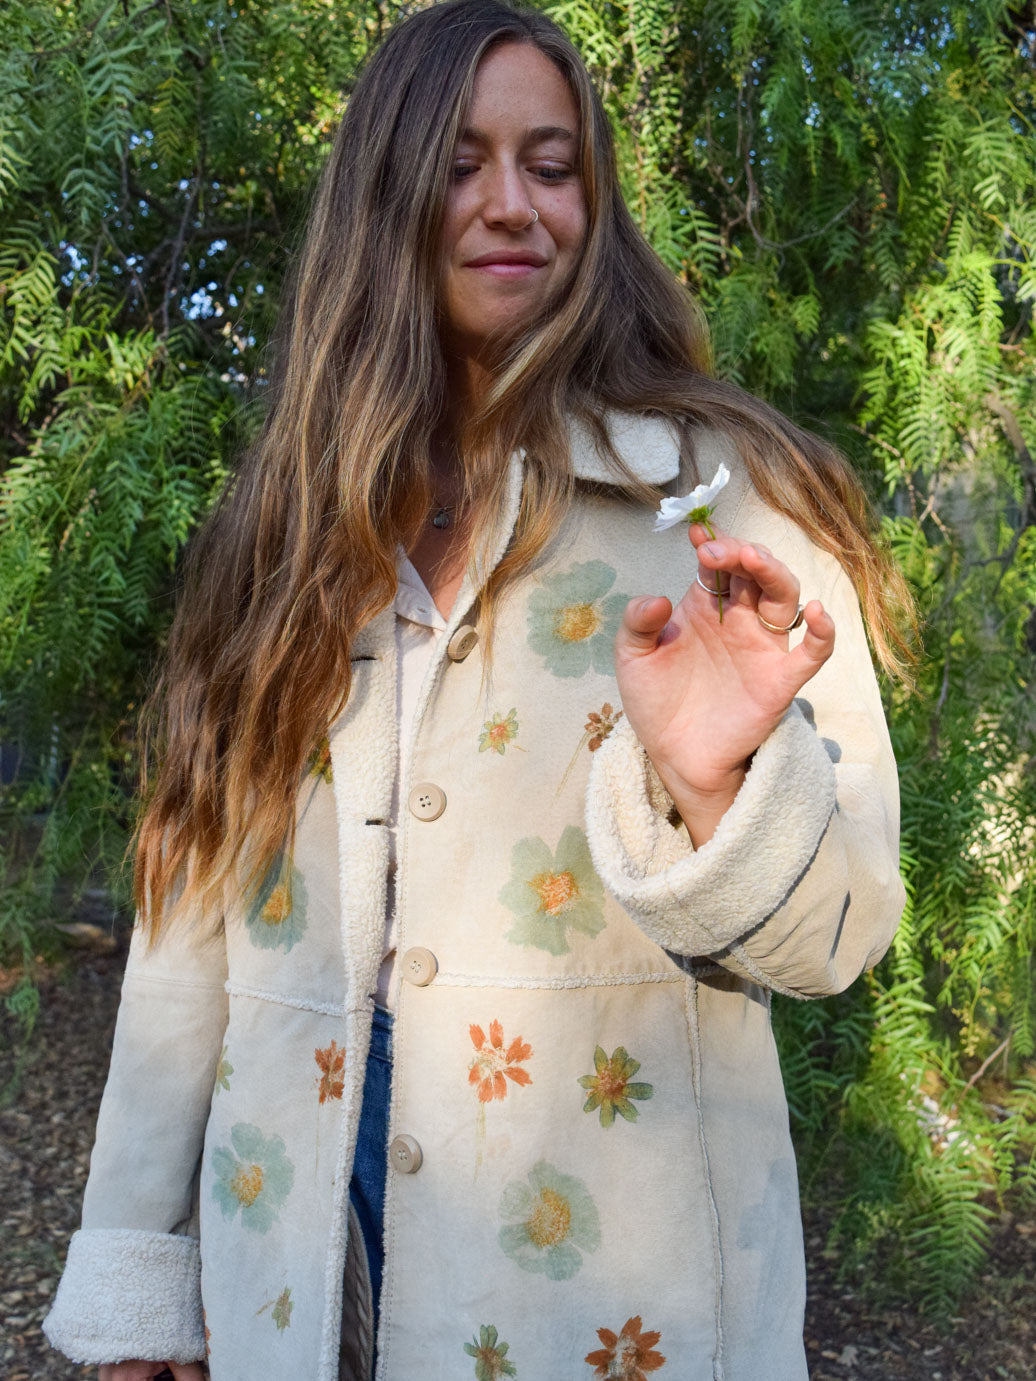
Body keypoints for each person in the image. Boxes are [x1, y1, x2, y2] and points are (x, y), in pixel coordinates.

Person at [43, 2, 911, 1378]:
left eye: (551, 165)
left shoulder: (725, 503)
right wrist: (140, 1265)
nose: (513, 203)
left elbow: (843, 931)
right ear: (383, 197)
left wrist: (719, 790)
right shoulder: (284, 535)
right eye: (460, 164)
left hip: (607, 1295)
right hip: (293, 1230)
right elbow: (187, 915)